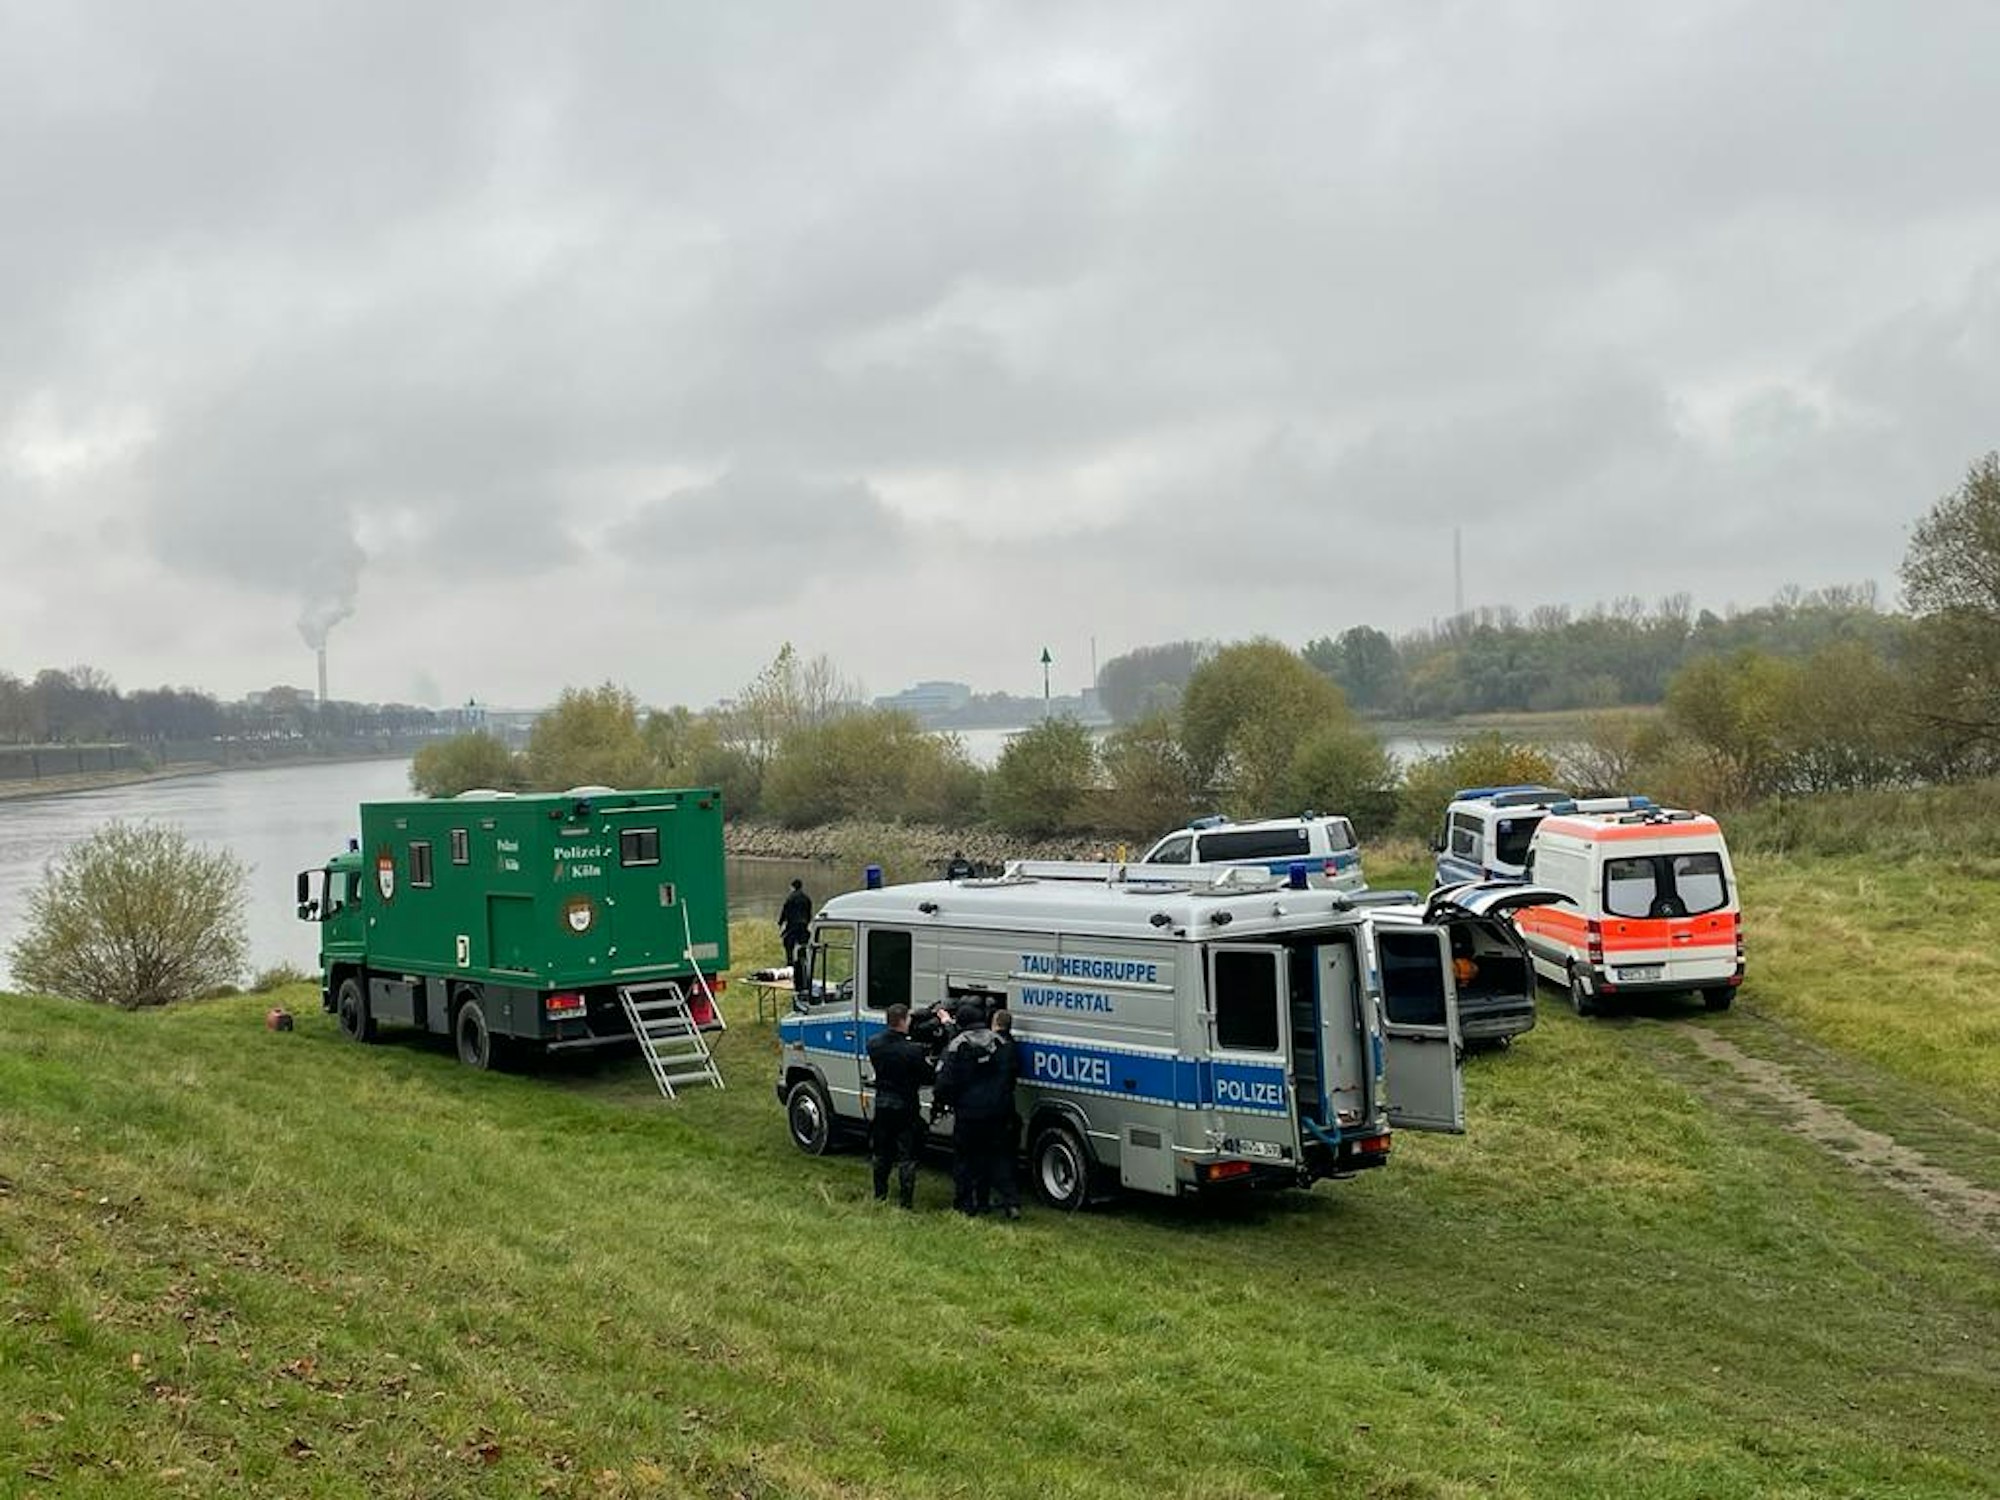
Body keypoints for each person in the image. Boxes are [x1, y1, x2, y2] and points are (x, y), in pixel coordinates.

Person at [933, 999, 1012, 1216]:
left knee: (965, 1160)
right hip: (995, 1111)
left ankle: (965, 1204)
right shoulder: (999, 1042)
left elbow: (944, 1082)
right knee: (987, 1157)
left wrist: (946, 1100)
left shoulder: (958, 1044)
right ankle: (984, 1202)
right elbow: (1008, 1073)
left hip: (968, 1113)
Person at [865, 1003, 934, 1209]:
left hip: (883, 1103)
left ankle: (880, 1194)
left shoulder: (874, 1043)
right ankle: (906, 1201)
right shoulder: (912, 1050)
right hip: (905, 1105)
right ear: (903, 1021)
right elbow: (927, 1075)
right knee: (907, 1155)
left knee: (882, 1152)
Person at [988, 1008, 1022, 1219]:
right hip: (1008, 1105)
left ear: (994, 1023)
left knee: (994, 1154)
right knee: (1008, 1154)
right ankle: (1010, 1198)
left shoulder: (992, 1046)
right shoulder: (1012, 1047)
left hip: (993, 1106)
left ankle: (1007, 1199)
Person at [778, 879, 813, 976]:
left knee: (788, 944)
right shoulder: (807, 898)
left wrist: (780, 923)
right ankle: (803, 964)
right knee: (802, 945)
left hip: (792, 926)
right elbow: (809, 913)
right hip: (803, 926)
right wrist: (807, 923)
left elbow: (785, 911)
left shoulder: (790, 898)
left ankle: (790, 964)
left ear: (792, 887)